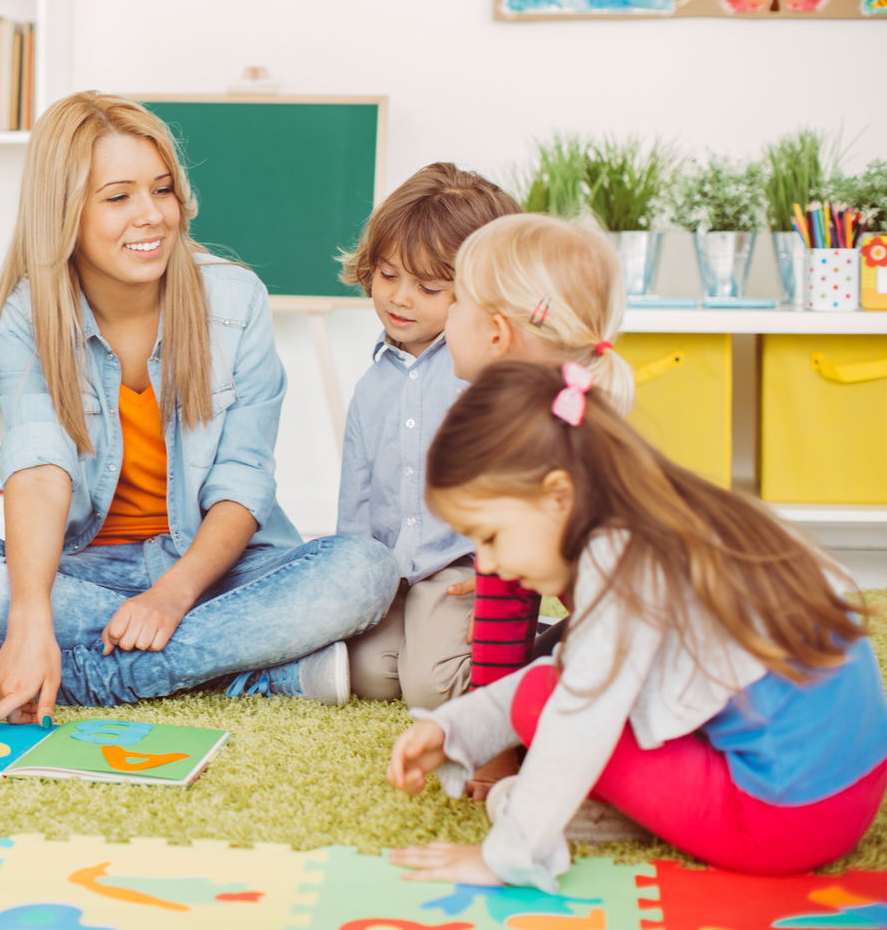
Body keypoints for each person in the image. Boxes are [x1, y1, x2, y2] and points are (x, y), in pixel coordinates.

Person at [0, 90, 398, 727]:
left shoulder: (236, 299)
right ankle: (264, 669)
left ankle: (61, 677)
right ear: (64, 212)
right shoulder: (30, 313)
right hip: (87, 569)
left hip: (215, 568)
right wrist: (30, 616)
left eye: (162, 190)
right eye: (118, 196)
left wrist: (172, 594)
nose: (152, 215)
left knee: (363, 569)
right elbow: (39, 465)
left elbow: (244, 482)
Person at [386, 360, 887, 891]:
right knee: (560, 688)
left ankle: (555, 825)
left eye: (489, 536)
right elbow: (573, 669)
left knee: (551, 710)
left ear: (559, 495)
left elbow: (577, 715)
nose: (484, 565)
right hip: (855, 788)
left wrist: (506, 854)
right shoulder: (662, 513)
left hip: (783, 822)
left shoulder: (624, 570)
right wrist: (455, 728)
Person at [443, 212, 636, 798]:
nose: (446, 315)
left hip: (638, 656)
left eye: (455, 300)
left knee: (520, 687)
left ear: (496, 334)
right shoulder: (581, 414)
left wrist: (494, 755)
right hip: (628, 632)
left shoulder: (514, 453)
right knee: (539, 668)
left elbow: (505, 617)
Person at [337, 163, 521, 710]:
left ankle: (541, 656)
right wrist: (358, 579)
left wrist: (503, 574)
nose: (400, 298)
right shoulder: (373, 386)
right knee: (369, 676)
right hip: (396, 572)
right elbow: (359, 495)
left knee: (432, 689)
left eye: (430, 287)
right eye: (388, 275)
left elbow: (521, 482)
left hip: (465, 566)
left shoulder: (487, 374)